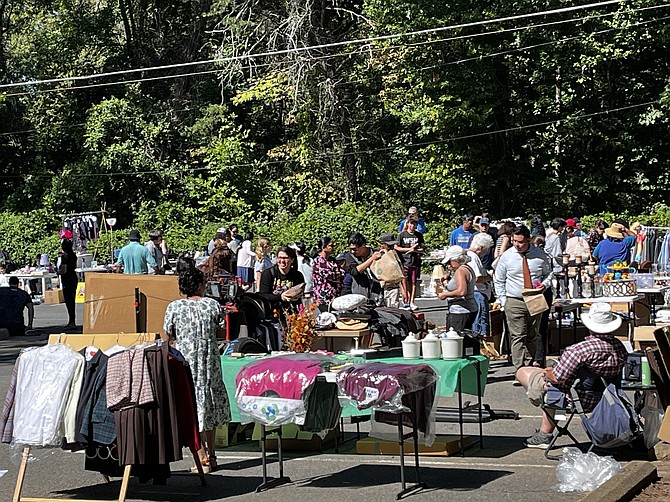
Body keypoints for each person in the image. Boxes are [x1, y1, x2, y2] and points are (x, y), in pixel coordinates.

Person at [515, 303, 628, 449]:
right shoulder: (620, 347)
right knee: (554, 383)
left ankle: (544, 433)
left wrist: (547, 371)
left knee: (524, 373)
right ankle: (545, 431)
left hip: (577, 398)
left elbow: (557, 377)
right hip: (606, 398)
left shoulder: (578, 350)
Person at [163, 256, 230, 472]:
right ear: (201, 285)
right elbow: (221, 329)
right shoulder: (212, 304)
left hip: (187, 364)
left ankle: (201, 457)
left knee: (192, 407)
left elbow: (167, 335)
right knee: (209, 406)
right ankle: (211, 454)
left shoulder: (174, 307)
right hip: (209, 362)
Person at [493, 225, 553, 370]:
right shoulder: (507, 256)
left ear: (528, 240)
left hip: (535, 298)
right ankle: (520, 368)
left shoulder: (540, 255)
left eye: (521, 242)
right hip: (514, 299)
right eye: (514, 241)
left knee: (533, 334)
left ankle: (530, 364)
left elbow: (549, 274)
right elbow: (499, 279)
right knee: (518, 334)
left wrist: (544, 285)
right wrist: (503, 300)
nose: (517, 245)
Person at [438, 245, 478, 332]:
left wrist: (445, 294)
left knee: (455, 339)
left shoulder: (460, 271)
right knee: (466, 337)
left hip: (460, 310)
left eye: (450, 261)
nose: (449, 265)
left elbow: (461, 291)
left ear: (457, 259)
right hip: (469, 307)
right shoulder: (467, 268)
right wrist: (450, 279)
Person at [258, 246, 305, 315]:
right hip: (272, 313)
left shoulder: (298, 276)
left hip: (292, 314)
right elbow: (263, 295)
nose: (282, 261)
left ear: (292, 260)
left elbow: (299, 299)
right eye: (280, 258)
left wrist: (302, 313)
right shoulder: (268, 273)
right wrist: (281, 297)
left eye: (285, 258)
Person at [467, 233, 495, 337]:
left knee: (480, 320)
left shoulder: (471, 256)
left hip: (479, 292)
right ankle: (482, 344)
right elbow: (476, 278)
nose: (487, 252)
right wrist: (489, 277)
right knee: (481, 321)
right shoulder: (473, 257)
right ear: (481, 248)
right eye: (486, 249)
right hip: (478, 292)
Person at [345, 232, 383, 305]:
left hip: (377, 294)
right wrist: (372, 259)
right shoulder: (349, 256)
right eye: (351, 249)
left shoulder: (376, 253)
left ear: (363, 245)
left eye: (355, 249)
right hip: (359, 296)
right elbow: (355, 271)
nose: (352, 252)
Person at [396, 218, 424, 311]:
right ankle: (406, 300)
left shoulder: (419, 235)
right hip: (404, 262)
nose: (412, 226)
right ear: (407, 224)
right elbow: (396, 247)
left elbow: (422, 249)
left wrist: (415, 250)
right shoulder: (402, 235)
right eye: (411, 224)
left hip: (415, 262)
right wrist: (408, 249)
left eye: (414, 225)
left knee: (413, 282)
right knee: (404, 282)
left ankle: (412, 301)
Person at [312, 236, 344, 309]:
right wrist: (337, 274)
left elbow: (342, 273)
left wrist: (337, 274)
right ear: (323, 247)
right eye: (330, 245)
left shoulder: (332, 260)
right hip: (323, 299)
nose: (333, 247)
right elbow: (331, 276)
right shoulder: (318, 261)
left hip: (335, 297)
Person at [57, 229, 78, 329]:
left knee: (68, 300)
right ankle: (72, 320)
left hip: (67, 279)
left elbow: (63, 270)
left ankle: (71, 321)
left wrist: (58, 271)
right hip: (73, 277)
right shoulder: (73, 255)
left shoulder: (64, 257)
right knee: (72, 300)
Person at [378, 232, 405, 309]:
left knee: (393, 309)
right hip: (379, 287)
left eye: (393, 245)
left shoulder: (396, 254)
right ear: (382, 244)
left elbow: (401, 273)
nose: (392, 247)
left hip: (393, 287)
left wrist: (403, 290)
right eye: (389, 245)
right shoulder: (377, 255)